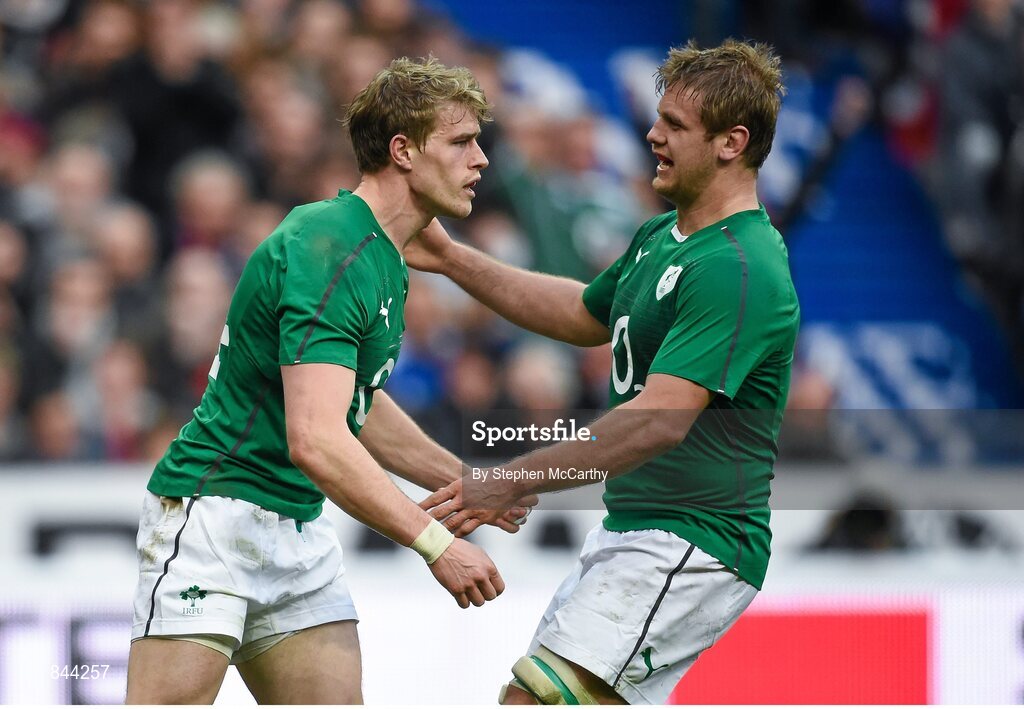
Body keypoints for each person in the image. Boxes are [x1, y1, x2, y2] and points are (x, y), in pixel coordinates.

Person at [126, 56, 526, 704]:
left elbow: (354, 404)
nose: (480, 158)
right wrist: (436, 543)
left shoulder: (383, 256)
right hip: (214, 515)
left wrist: (463, 481)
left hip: (297, 525)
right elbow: (315, 436)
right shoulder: (328, 243)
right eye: (461, 141)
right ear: (402, 150)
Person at [409, 40, 799, 704]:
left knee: (532, 698)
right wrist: (452, 259)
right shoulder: (663, 237)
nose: (652, 135)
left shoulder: (739, 265)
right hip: (639, 531)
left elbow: (656, 422)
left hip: (693, 541)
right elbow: (583, 312)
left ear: (733, 141)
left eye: (675, 125)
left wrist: (512, 478)